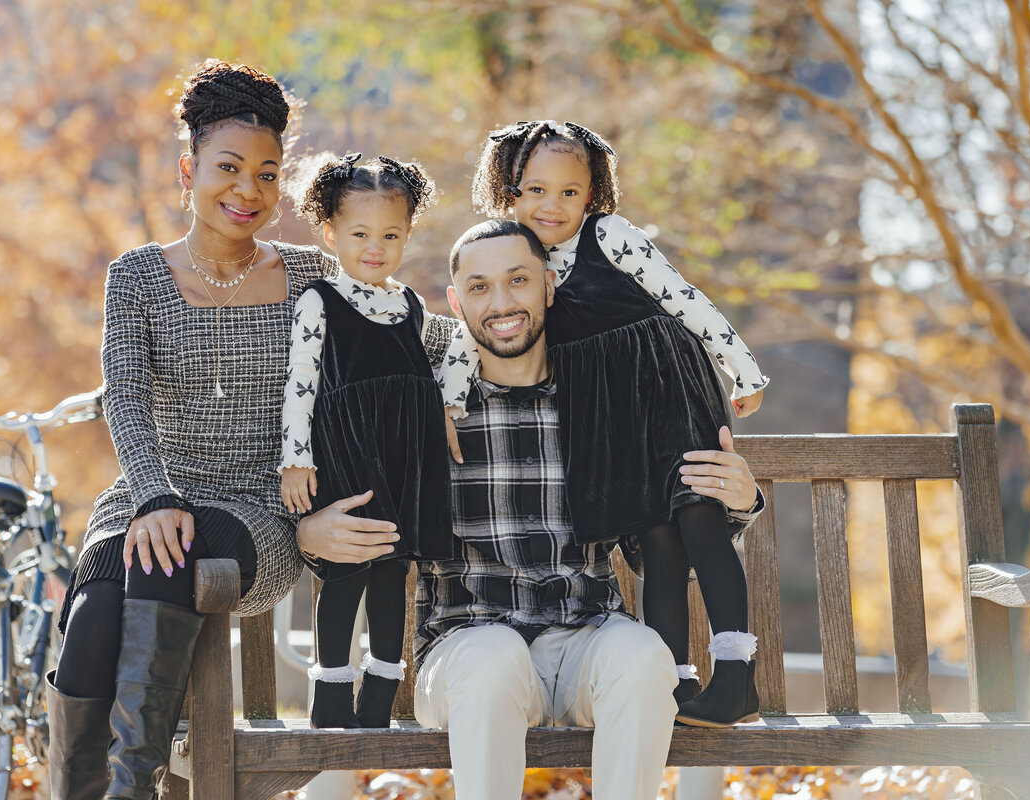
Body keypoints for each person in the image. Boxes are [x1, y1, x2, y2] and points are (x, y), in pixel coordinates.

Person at [43, 61, 460, 800]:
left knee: (166, 556)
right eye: (228, 168)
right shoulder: (135, 277)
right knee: (98, 602)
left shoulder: (314, 277)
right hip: (150, 500)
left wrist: (477, 371)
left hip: (261, 517)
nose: (248, 190)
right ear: (188, 168)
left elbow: (423, 341)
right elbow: (128, 399)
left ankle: (132, 789)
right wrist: (154, 496)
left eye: (267, 174)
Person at [410, 220, 763, 799]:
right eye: (478, 287)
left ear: (550, 285)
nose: (501, 303)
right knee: (496, 657)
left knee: (645, 655)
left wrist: (739, 501)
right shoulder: (431, 407)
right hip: (468, 645)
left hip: (587, 637)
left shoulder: (605, 401)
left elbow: (653, 550)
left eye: (518, 281)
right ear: (455, 301)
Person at [460, 120, 770, 726]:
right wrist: (451, 397)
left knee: (699, 517)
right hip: (610, 415)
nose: (552, 205)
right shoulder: (518, 258)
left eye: (569, 192)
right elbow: (482, 329)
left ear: (593, 194)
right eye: (535, 190)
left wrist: (743, 367)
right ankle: (675, 682)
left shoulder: (612, 237)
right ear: (509, 189)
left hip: (666, 386)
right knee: (655, 541)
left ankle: (736, 676)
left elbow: (684, 297)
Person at [279, 153, 474, 728]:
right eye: (359, 233)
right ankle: (332, 698)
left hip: (403, 463)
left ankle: (379, 702)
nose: (375, 246)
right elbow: (301, 383)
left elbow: (464, 340)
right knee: (346, 574)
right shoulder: (322, 301)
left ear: (409, 234)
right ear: (330, 232)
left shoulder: (409, 306)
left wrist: (448, 402)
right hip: (347, 462)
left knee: (394, 576)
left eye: (391, 234)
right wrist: (296, 460)